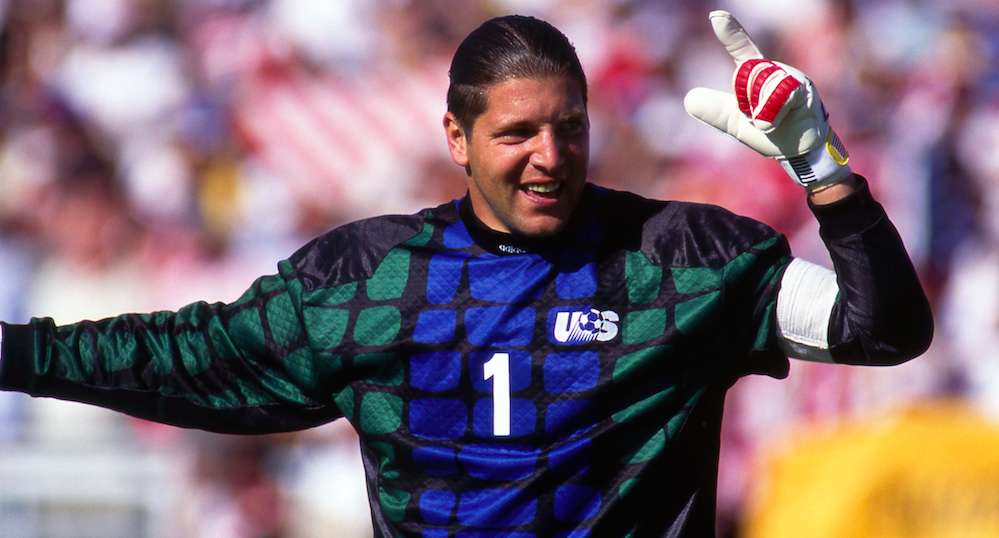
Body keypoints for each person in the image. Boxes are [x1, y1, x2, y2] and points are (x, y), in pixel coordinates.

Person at [0, 11, 931, 537]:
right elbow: (183, 354)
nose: (549, 156)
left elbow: (882, 330)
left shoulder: (684, 259)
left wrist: (825, 176)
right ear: (456, 138)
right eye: (517, 132)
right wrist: (16, 354)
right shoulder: (369, 280)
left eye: (568, 127)